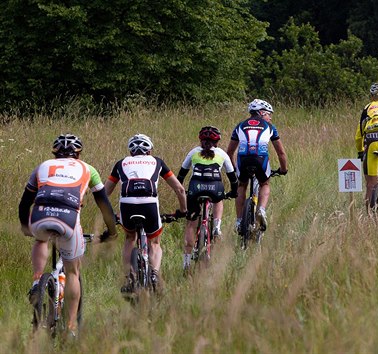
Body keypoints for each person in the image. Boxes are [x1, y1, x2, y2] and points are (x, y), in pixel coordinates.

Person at [18, 134, 118, 335]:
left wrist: (24, 226)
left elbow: (24, 202)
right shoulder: (88, 169)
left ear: (54, 153)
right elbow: (104, 205)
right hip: (69, 219)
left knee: (40, 238)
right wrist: (112, 231)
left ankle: (37, 281)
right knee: (73, 272)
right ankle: (71, 326)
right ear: (78, 153)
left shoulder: (42, 166)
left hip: (40, 215)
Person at [104, 134, 187, 294]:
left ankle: (129, 277)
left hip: (127, 205)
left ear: (131, 152)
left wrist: (110, 215)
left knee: (129, 238)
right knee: (154, 243)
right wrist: (183, 211)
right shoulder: (157, 162)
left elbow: (104, 193)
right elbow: (180, 189)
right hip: (149, 204)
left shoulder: (121, 163)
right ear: (149, 151)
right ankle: (154, 274)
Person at [176, 126, 238, 273]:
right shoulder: (222, 153)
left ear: (200, 140)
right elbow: (233, 178)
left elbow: (181, 175)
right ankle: (216, 226)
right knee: (219, 199)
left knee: (192, 224)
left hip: (195, 188)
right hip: (215, 188)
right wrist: (233, 192)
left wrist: (183, 191)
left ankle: (186, 263)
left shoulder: (193, 152)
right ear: (217, 142)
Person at [226, 99, 288, 233]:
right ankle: (261, 209)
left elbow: (230, 152)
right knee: (265, 183)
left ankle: (238, 221)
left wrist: (234, 168)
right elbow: (281, 153)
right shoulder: (270, 127)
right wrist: (283, 169)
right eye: (268, 114)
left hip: (243, 159)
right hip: (261, 158)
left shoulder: (240, 126)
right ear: (260, 112)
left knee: (241, 185)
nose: (270, 117)